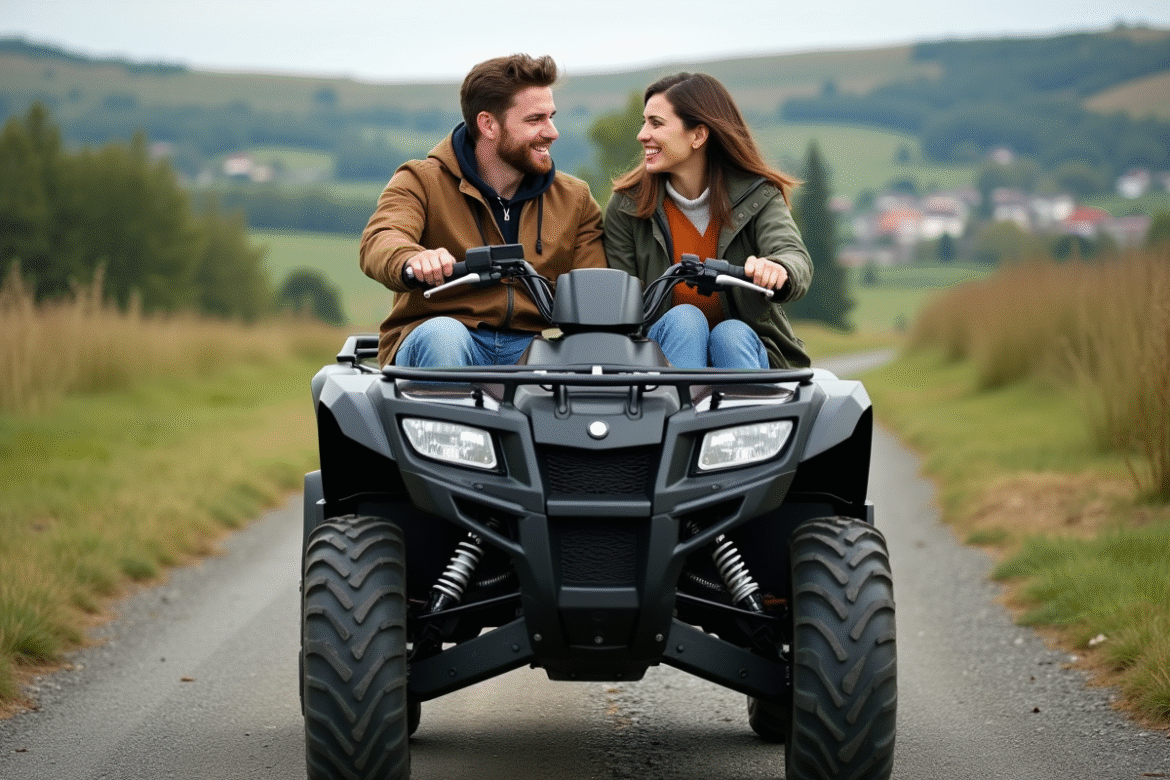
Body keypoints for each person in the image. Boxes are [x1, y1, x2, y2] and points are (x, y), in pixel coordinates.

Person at [360, 54, 606, 367]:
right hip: (442, 333)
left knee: (580, 362)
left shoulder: (575, 199)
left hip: (528, 345)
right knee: (444, 337)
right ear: (488, 124)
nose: (552, 131)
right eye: (535, 120)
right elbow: (382, 236)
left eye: (551, 117)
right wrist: (412, 258)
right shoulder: (421, 180)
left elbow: (594, 289)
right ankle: (444, 418)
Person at [604, 72, 812, 369]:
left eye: (656, 123)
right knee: (685, 321)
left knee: (731, 335)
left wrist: (779, 268)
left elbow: (794, 255)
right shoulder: (627, 205)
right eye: (644, 121)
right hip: (657, 359)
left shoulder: (758, 195)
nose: (642, 135)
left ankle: (747, 413)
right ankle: (681, 412)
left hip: (746, 349)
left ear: (698, 135)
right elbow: (620, 307)